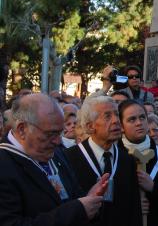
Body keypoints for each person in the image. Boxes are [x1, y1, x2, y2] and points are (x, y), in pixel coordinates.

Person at [0, 94, 108, 225]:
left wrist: (88, 200)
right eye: (50, 134)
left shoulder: (56, 153)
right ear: (22, 129)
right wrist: (76, 211)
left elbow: (73, 197)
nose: (57, 141)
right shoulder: (4, 165)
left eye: (60, 133)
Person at [65, 95, 142, 226]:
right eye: (107, 116)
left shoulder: (127, 160)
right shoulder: (69, 158)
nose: (116, 120)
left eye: (116, 114)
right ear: (90, 126)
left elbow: (134, 209)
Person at [119, 100, 158, 226]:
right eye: (132, 119)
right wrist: (132, 205)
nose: (139, 123)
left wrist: (153, 188)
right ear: (121, 126)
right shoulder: (114, 155)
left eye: (142, 117)